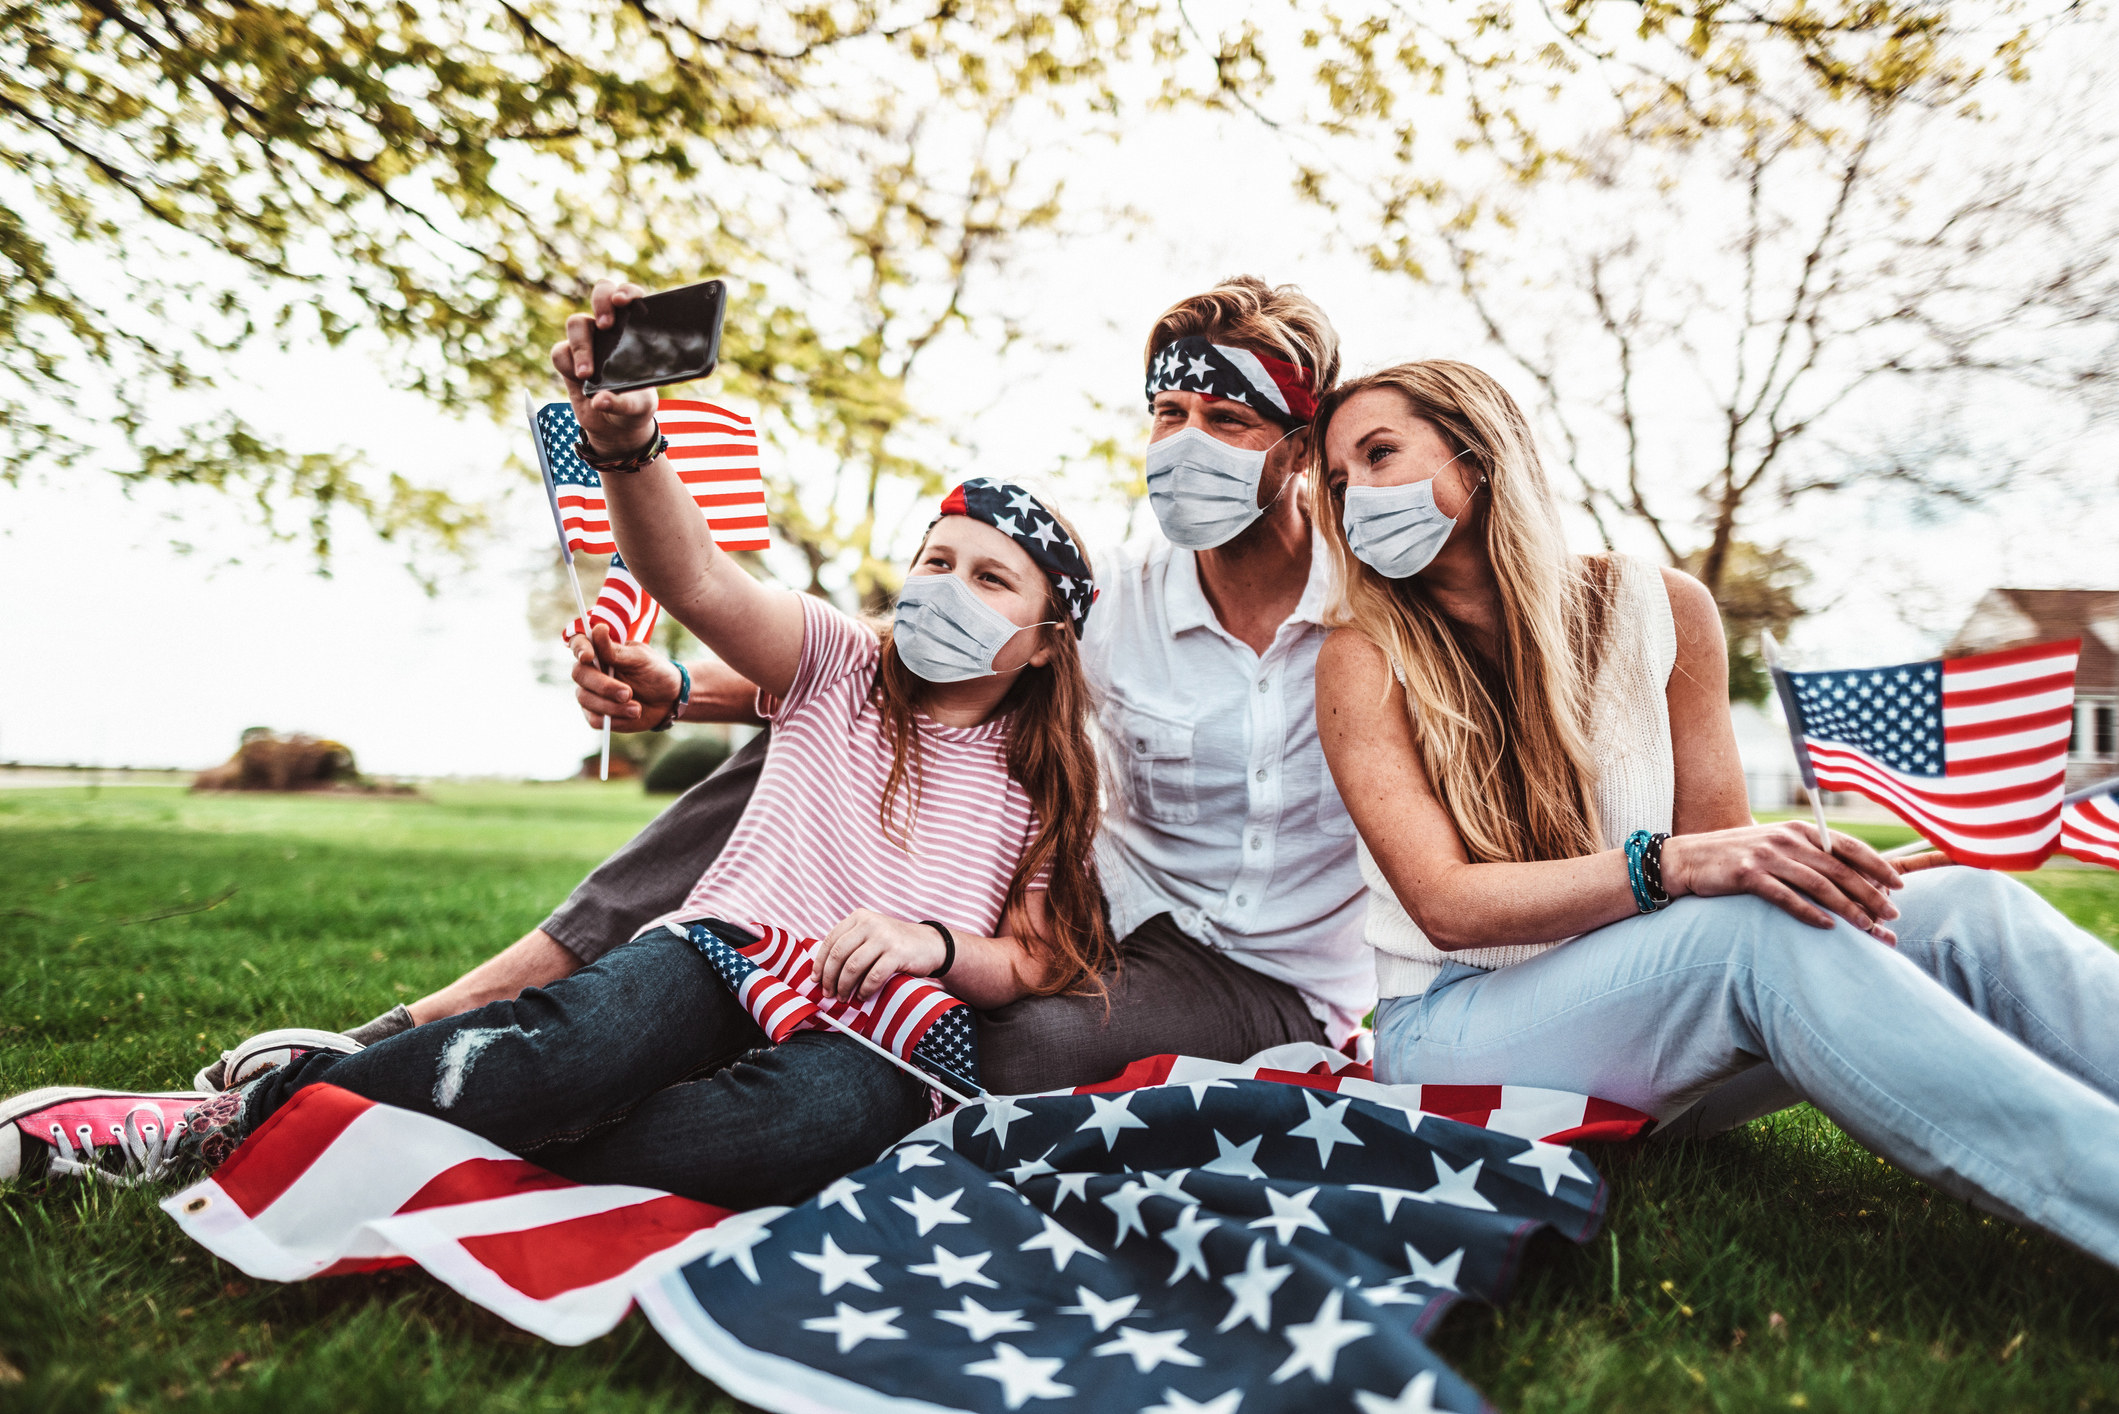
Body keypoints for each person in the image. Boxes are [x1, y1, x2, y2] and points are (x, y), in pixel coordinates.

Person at [0, 279, 1114, 1204]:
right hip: (727, 948)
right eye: (934, 560)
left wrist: (929, 944)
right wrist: (630, 449)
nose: (946, 589)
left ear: (1041, 641)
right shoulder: (833, 663)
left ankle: (431, 1161)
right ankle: (211, 1127)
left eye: (987, 578)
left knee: (776, 1140)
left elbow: (1028, 957)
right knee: (562, 1047)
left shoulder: (1051, 782)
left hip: (883, 1030)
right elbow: (700, 577)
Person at [229, 274, 1377, 1097]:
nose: (1186, 444)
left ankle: (650, 1068)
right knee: (804, 735)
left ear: (1297, 440)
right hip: (1117, 920)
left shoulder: (1377, 615)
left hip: (1255, 972)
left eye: (1225, 420)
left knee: (1000, 1056)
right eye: (1168, 414)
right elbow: (880, 661)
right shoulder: (1112, 596)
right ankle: (453, 1018)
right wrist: (680, 688)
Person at [1310, 358, 2119, 1266]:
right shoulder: (1361, 656)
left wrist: (1804, 867)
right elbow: (1446, 907)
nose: (1355, 499)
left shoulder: (1663, 607)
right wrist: (1671, 865)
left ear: (1480, 452)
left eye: (1380, 455)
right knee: (1751, 940)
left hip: (1652, 1013)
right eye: (1337, 482)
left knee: (1963, 904)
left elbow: (1729, 855)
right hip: (1453, 1031)